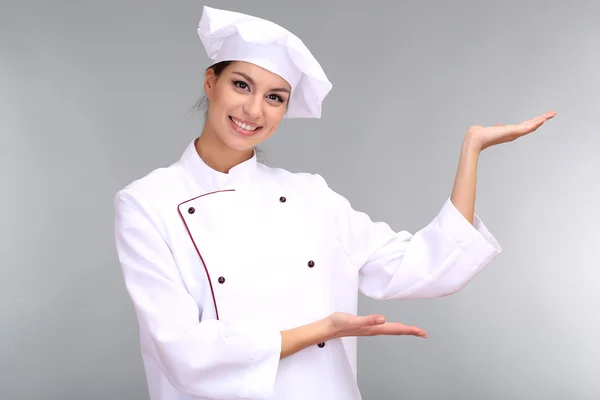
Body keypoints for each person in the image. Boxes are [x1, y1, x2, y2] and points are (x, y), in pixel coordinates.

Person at [113, 5, 556, 400]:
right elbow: (184, 353)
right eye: (241, 85)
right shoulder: (148, 202)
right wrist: (324, 330)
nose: (253, 110)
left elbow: (422, 266)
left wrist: (471, 151)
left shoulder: (310, 195)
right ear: (211, 83)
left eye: (274, 97)